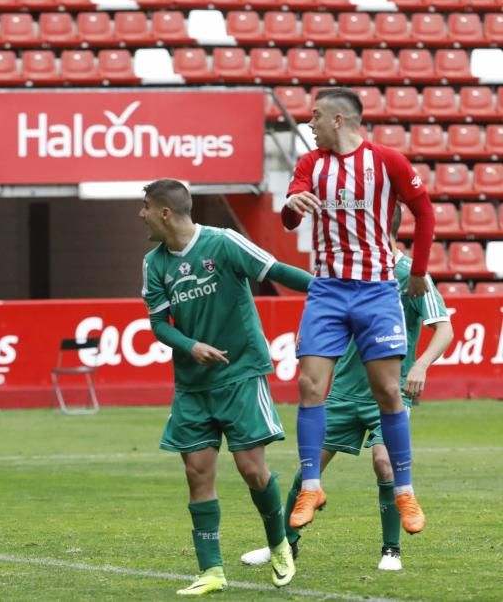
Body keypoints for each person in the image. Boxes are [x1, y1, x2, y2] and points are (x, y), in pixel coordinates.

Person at [242, 204, 453, 571]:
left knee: (384, 461)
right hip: (343, 391)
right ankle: (283, 546)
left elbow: (444, 327)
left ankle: (391, 550)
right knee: (308, 470)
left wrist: (420, 364)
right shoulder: (345, 274)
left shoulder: (407, 274)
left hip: (388, 392)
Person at [139, 179, 313, 595]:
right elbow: (160, 324)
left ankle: (279, 545)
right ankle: (212, 571)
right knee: (197, 473)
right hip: (192, 386)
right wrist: (190, 345)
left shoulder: (225, 242)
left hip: (240, 375)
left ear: (165, 212)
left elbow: (276, 271)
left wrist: (334, 290)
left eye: (145, 207)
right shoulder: (154, 263)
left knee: (252, 470)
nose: (140, 214)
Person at [282, 88, 435, 534]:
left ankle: (404, 492)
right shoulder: (311, 165)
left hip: (376, 291)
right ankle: (311, 485)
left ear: (338, 120)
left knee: (388, 392)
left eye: (314, 116)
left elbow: (424, 212)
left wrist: (419, 272)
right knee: (310, 385)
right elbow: (292, 211)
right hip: (327, 290)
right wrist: (292, 207)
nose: (308, 124)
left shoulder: (387, 161)